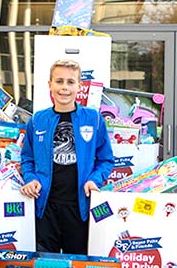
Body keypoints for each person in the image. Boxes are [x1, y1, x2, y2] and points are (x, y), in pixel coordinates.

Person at [20, 59, 114, 255]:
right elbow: (27, 159)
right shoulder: (38, 119)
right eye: (59, 81)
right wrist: (31, 179)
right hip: (45, 208)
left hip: (80, 209)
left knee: (77, 267)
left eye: (71, 82)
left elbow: (105, 160)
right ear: (50, 85)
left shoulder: (93, 118)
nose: (64, 87)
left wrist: (93, 180)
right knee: (46, 266)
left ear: (79, 86)